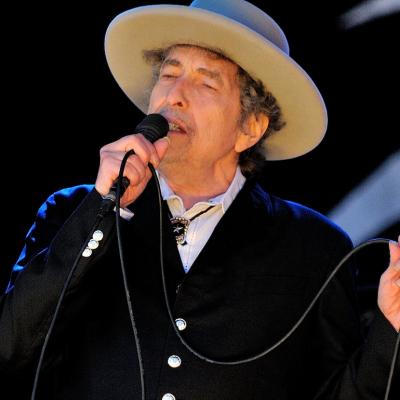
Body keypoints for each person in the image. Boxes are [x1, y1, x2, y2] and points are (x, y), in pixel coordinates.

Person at [1, 0, 399, 399]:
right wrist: (104, 209)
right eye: (169, 74)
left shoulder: (315, 248)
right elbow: (11, 348)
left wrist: (392, 329)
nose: (174, 95)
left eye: (205, 83)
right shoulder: (74, 211)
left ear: (250, 128)